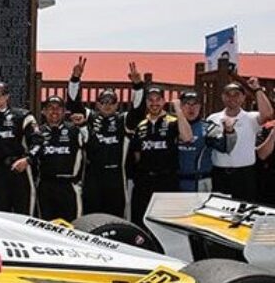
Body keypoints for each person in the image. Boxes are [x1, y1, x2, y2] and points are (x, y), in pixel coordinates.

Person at [67, 59, 146, 216]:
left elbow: (138, 110)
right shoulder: (89, 116)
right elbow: (74, 104)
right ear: (97, 104)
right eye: (103, 101)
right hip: (92, 176)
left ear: (117, 105)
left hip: (116, 177)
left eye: (112, 102)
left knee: (116, 217)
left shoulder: (123, 120)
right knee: (90, 215)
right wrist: (75, 78)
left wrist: (138, 85)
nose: (107, 105)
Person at [130, 89, 193, 225]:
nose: (154, 103)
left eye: (158, 99)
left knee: (166, 221)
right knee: (141, 219)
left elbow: (187, 137)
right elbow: (136, 154)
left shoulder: (173, 121)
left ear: (163, 101)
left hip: (167, 180)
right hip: (144, 181)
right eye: (150, 100)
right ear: (146, 102)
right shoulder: (140, 125)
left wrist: (178, 110)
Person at [207, 77, 273, 201]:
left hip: (245, 175)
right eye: (228, 94)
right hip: (219, 173)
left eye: (236, 95)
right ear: (223, 97)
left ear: (243, 98)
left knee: (244, 212)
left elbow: (268, 114)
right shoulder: (213, 118)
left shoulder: (251, 118)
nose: (232, 98)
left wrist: (257, 89)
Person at [0, 81, 42, 214]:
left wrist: (28, 159)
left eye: (2, 94)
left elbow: (38, 142)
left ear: (8, 96)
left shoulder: (23, 116)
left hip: (19, 170)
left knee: (26, 214)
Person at [34, 95, 87, 221]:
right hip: (45, 186)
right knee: (46, 226)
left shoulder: (74, 130)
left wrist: (84, 125)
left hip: (69, 186)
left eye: (58, 108)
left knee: (73, 226)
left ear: (64, 112)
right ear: (43, 111)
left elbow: (93, 147)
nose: (54, 111)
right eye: (50, 108)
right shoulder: (37, 132)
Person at [177, 90, 235, 192]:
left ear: (200, 107)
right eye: (187, 104)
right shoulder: (172, 127)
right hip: (175, 182)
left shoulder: (209, 128)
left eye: (195, 104)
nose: (191, 108)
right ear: (181, 106)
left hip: (201, 182)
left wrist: (229, 131)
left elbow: (226, 148)